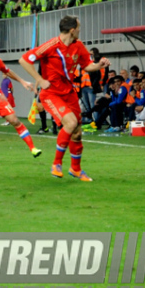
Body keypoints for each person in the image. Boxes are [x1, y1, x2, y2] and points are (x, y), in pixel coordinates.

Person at [19, 15, 111, 181]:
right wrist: (40, 80)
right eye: (79, 28)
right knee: (71, 123)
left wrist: (99, 65)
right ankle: (56, 163)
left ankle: (76, 169)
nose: (80, 30)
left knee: (76, 133)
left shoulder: (78, 45)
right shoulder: (51, 46)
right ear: (72, 30)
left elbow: (87, 65)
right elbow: (24, 60)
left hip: (69, 93)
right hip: (51, 93)